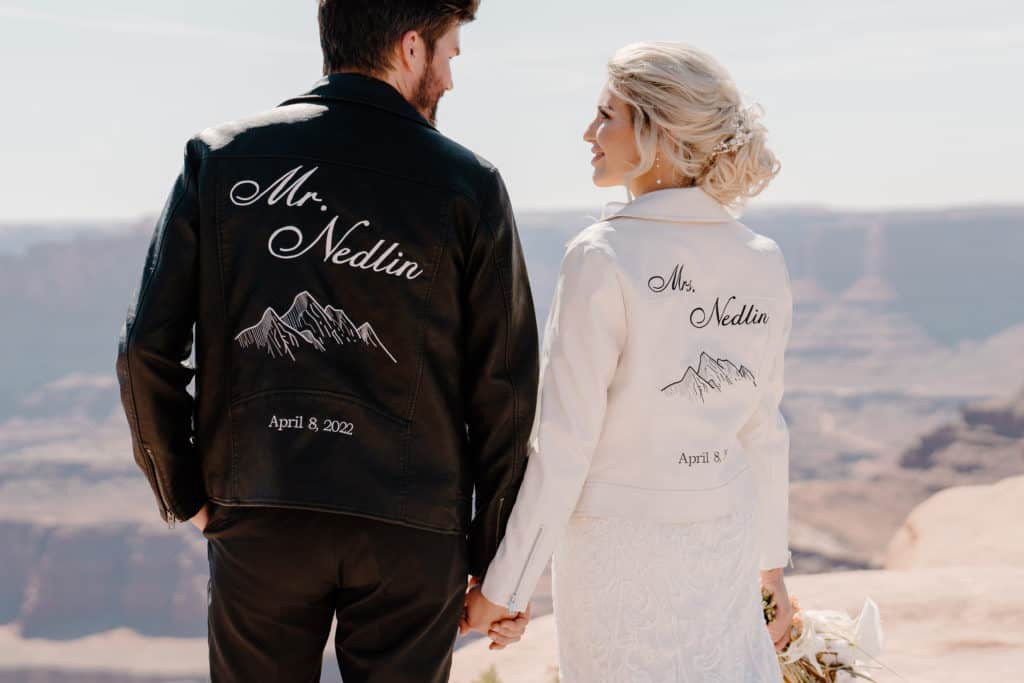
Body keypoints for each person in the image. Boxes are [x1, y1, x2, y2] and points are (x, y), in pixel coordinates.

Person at [115, 1, 538, 680]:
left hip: (261, 508)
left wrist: (188, 492)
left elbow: (145, 350)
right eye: (450, 53)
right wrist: (494, 564)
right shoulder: (470, 186)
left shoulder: (221, 159)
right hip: (413, 532)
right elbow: (505, 394)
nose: (451, 79)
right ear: (409, 49)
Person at [463, 42, 795, 681]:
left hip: (617, 552)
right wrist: (770, 568)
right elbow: (763, 428)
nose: (589, 134)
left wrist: (503, 591)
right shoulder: (762, 256)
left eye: (605, 116)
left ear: (658, 132)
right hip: (723, 536)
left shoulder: (603, 255)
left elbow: (564, 445)